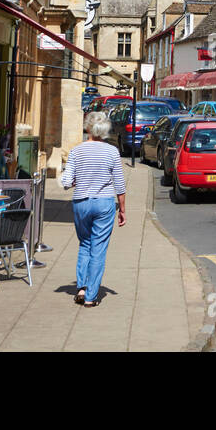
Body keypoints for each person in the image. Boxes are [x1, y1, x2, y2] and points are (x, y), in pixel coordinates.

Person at [61, 112, 126, 307]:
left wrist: (74, 181)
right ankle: (91, 296)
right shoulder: (112, 152)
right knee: (99, 248)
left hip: (81, 202)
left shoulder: (76, 151)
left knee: (85, 244)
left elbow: (65, 182)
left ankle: (81, 287)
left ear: (87, 128)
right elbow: (120, 184)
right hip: (104, 203)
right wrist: (122, 209)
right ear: (105, 130)